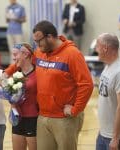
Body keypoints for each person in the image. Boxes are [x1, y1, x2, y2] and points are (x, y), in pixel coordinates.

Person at [32, 20, 93, 150]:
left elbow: (86, 84)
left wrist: (76, 109)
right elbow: (23, 60)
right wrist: (8, 72)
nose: (37, 45)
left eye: (39, 41)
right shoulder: (40, 52)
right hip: (43, 116)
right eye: (35, 42)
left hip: (65, 119)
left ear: (50, 37)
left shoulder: (72, 54)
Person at [0, 43, 38, 150]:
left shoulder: (38, 72)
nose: (13, 57)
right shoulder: (15, 72)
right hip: (17, 118)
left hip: (33, 118)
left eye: (15, 54)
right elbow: (1, 81)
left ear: (25, 54)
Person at [95, 33, 120, 150]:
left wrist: (115, 137)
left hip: (116, 138)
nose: (96, 50)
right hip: (103, 134)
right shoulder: (108, 66)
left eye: (97, 46)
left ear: (105, 48)